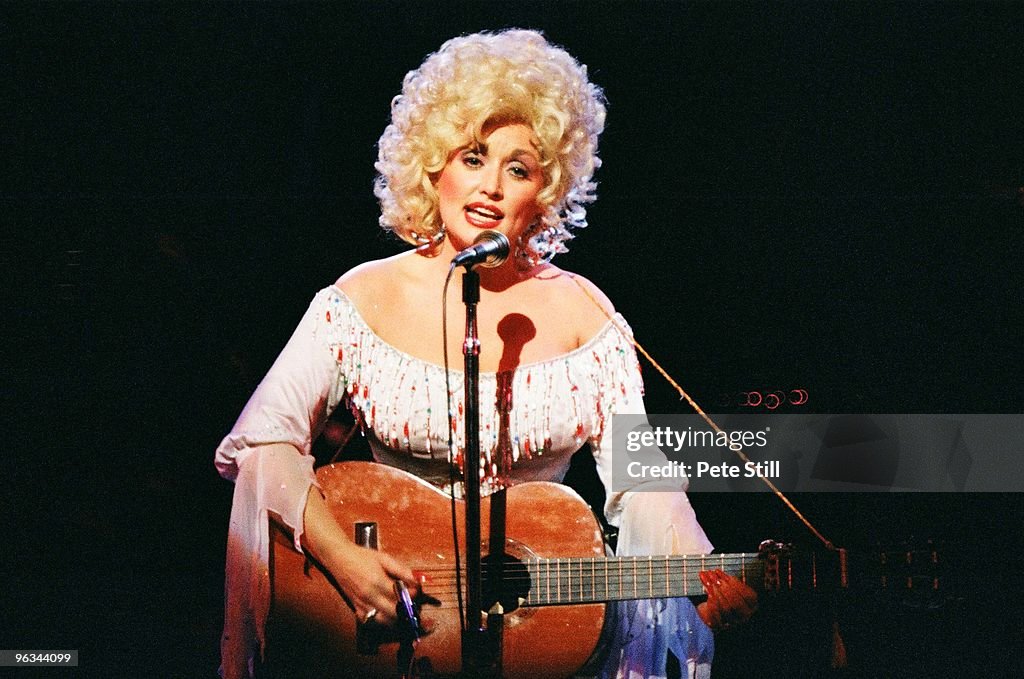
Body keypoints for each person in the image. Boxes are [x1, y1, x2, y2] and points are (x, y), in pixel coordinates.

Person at [215, 29, 756, 679]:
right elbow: (264, 443)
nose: (491, 185)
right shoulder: (358, 298)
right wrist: (346, 560)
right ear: (434, 161)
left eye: (519, 167)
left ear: (545, 194)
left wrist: (701, 569)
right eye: (474, 156)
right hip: (384, 633)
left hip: (533, 646)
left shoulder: (587, 315)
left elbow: (645, 487)